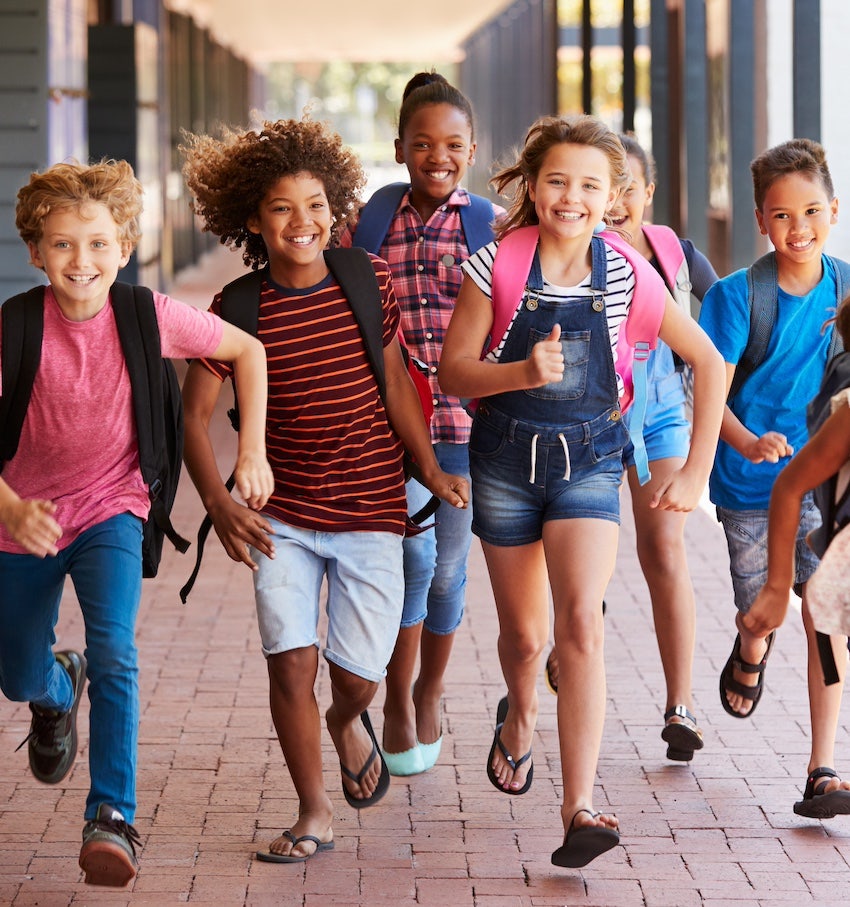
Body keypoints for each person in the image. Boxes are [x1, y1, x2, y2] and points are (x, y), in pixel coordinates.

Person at [179, 116, 469, 864]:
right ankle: (313, 810)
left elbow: (400, 381)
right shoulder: (238, 309)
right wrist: (217, 501)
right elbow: (193, 417)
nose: (300, 222)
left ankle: (348, 720)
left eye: (314, 204)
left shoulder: (363, 279)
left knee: (356, 678)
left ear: (335, 208)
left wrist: (429, 467)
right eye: (281, 207)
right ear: (252, 217)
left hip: (372, 505)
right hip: (281, 515)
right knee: (290, 661)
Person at [439, 115, 725, 868]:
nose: (573, 196)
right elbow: (454, 373)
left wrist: (696, 471)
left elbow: (711, 360)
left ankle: (579, 806)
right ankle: (521, 713)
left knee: (581, 628)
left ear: (613, 197)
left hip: (592, 459)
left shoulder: (628, 272)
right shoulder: (495, 265)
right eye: (558, 181)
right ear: (533, 187)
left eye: (591, 185)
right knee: (528, 640)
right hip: (503, 461)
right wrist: (520, 374)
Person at [0, 159, 272, 887]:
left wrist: (252, 449)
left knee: (116, 647)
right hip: (23, 518)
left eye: (96, 244)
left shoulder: (145, 314)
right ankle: (56, 687)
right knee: (15, 669)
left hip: (111, 506)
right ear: (34, 250)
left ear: (125, 245)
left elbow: (247, 350)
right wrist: (10, 506)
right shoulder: (16, 327)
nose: (80, 261)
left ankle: (111, 814)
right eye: (61, 245)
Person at [340, 71, 503, 776]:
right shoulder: (370, 222)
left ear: (472, 149)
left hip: (470, 430)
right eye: (423, 142)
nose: (439, 154)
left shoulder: (493, 226)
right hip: (396, 426)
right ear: (401, 146)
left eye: (453, 143)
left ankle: (432, 685)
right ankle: (400, 695)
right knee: (413, 560)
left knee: (448, 571)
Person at [544, 133, 720, 762]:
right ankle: (573, 635)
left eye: (626, 189)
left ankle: (681, 703)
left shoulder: (676, 254)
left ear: (645, 193)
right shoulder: (574, 252)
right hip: (587, 417)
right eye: (601, 186)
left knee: (664, 545)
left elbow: (723, 322)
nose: (613, 201)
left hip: (661, 417)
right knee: (584, 555)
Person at [699, 138, 850, 815]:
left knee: (827, 613)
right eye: (783, 215)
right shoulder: (738, 297)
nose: (800, 229)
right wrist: (748, 440)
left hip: (825, 478)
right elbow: (711, 393)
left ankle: (823, 765)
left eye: (812, 211)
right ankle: (751, 649)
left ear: (835, 210)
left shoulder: (848, 289)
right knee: (764, 608)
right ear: (761, 220)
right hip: (749, 483)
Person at [744, 295, 850, 817]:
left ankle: (822, 768)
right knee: (821, 629)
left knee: (827, 631)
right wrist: (774, 585)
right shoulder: (848, 412)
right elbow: (788, 489)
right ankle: (822, 766)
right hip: (839, 549)